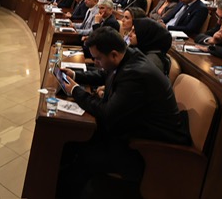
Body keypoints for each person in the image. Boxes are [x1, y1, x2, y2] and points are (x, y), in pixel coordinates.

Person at [56, 27, 191, 197]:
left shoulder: (136, 74)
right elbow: (105, 74)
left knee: (82, 155)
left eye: (98, 58)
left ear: (113, 54)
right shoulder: (128, 56)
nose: (95, 62)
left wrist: (75, 91)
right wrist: (75, 76)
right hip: (133, 131)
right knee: (73, 144)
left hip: (146, 149)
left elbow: (106, 113)